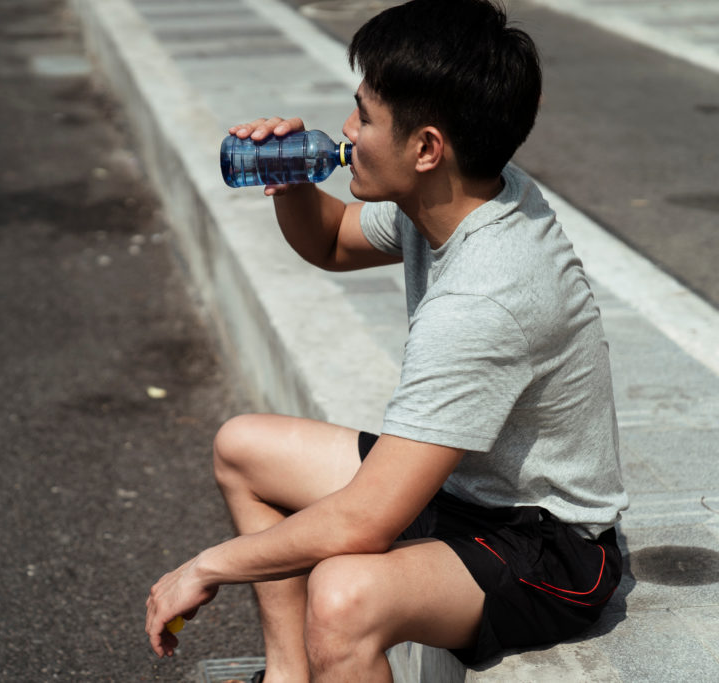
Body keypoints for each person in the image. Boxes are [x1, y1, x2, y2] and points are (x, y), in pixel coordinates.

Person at [144, 0, 628, 680]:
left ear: (427, 148)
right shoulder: (461, 192)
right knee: (244, 447)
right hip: (463, 492)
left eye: (365, 117)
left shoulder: (486, 295)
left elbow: (362, 524)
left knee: (343, 596)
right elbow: (334, 241)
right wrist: (292, 184)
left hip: (548, 545)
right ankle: (288, 676)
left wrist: (203, 566)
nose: (345, 131)